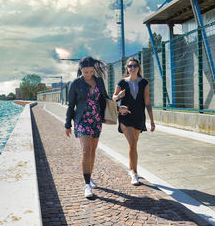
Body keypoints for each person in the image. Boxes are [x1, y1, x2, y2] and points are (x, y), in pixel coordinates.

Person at [65, 56, 110, 198]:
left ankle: (89, 176)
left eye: (91, 71)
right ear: (80, 70)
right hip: (82, 119)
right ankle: (87, 185)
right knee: (86, 150)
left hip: (96, 119)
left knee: (92, 150)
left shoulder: (99, 81)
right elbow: (71, 105)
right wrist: (67, 124)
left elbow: (105, 98)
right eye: (85, 72)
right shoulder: (75, 84)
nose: (88, 74)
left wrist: (118, 107)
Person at [113, 57, 155, 185]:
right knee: (132, 143)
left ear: (138, 67)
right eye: (130, 66)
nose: (132, 68)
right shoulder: (122, 83)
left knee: (133, 144)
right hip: (125, 117)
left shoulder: (144, 83)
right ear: (127, 67)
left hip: (139, 117)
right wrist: (120, 96)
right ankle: (135, 174)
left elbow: (147, 102)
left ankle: (131, 168)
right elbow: (113, 98)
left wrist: (152, 121)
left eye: (135, 66)